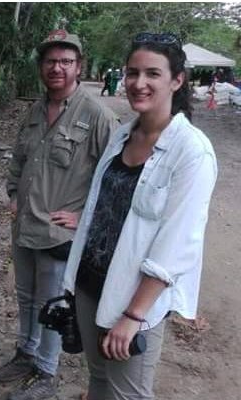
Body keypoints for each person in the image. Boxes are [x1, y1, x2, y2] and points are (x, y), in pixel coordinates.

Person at [63, 32, 217, 399]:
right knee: (99, 379)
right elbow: (107, 204)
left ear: (177, 80)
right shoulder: (122, 135)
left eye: (152, 73)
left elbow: (177, 245)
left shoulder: (192, 152)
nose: (138, 83)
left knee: (128, 393)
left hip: (132, 300)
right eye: (132, 72)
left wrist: (133, 317)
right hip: (89, 283)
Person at [0, 29, 118, 400]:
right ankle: (25, 353)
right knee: (25, 297)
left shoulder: (97, 116)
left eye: (66, 61)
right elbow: (18, 160)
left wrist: (84, 218)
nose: (57, 68)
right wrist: (13, 194)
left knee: (52, 305)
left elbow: (115, 177)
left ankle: (46, 373)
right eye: (50, 61)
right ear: (41, 67)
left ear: (79, 67)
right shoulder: (33, 111)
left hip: (60, 235)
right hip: (25, 225)